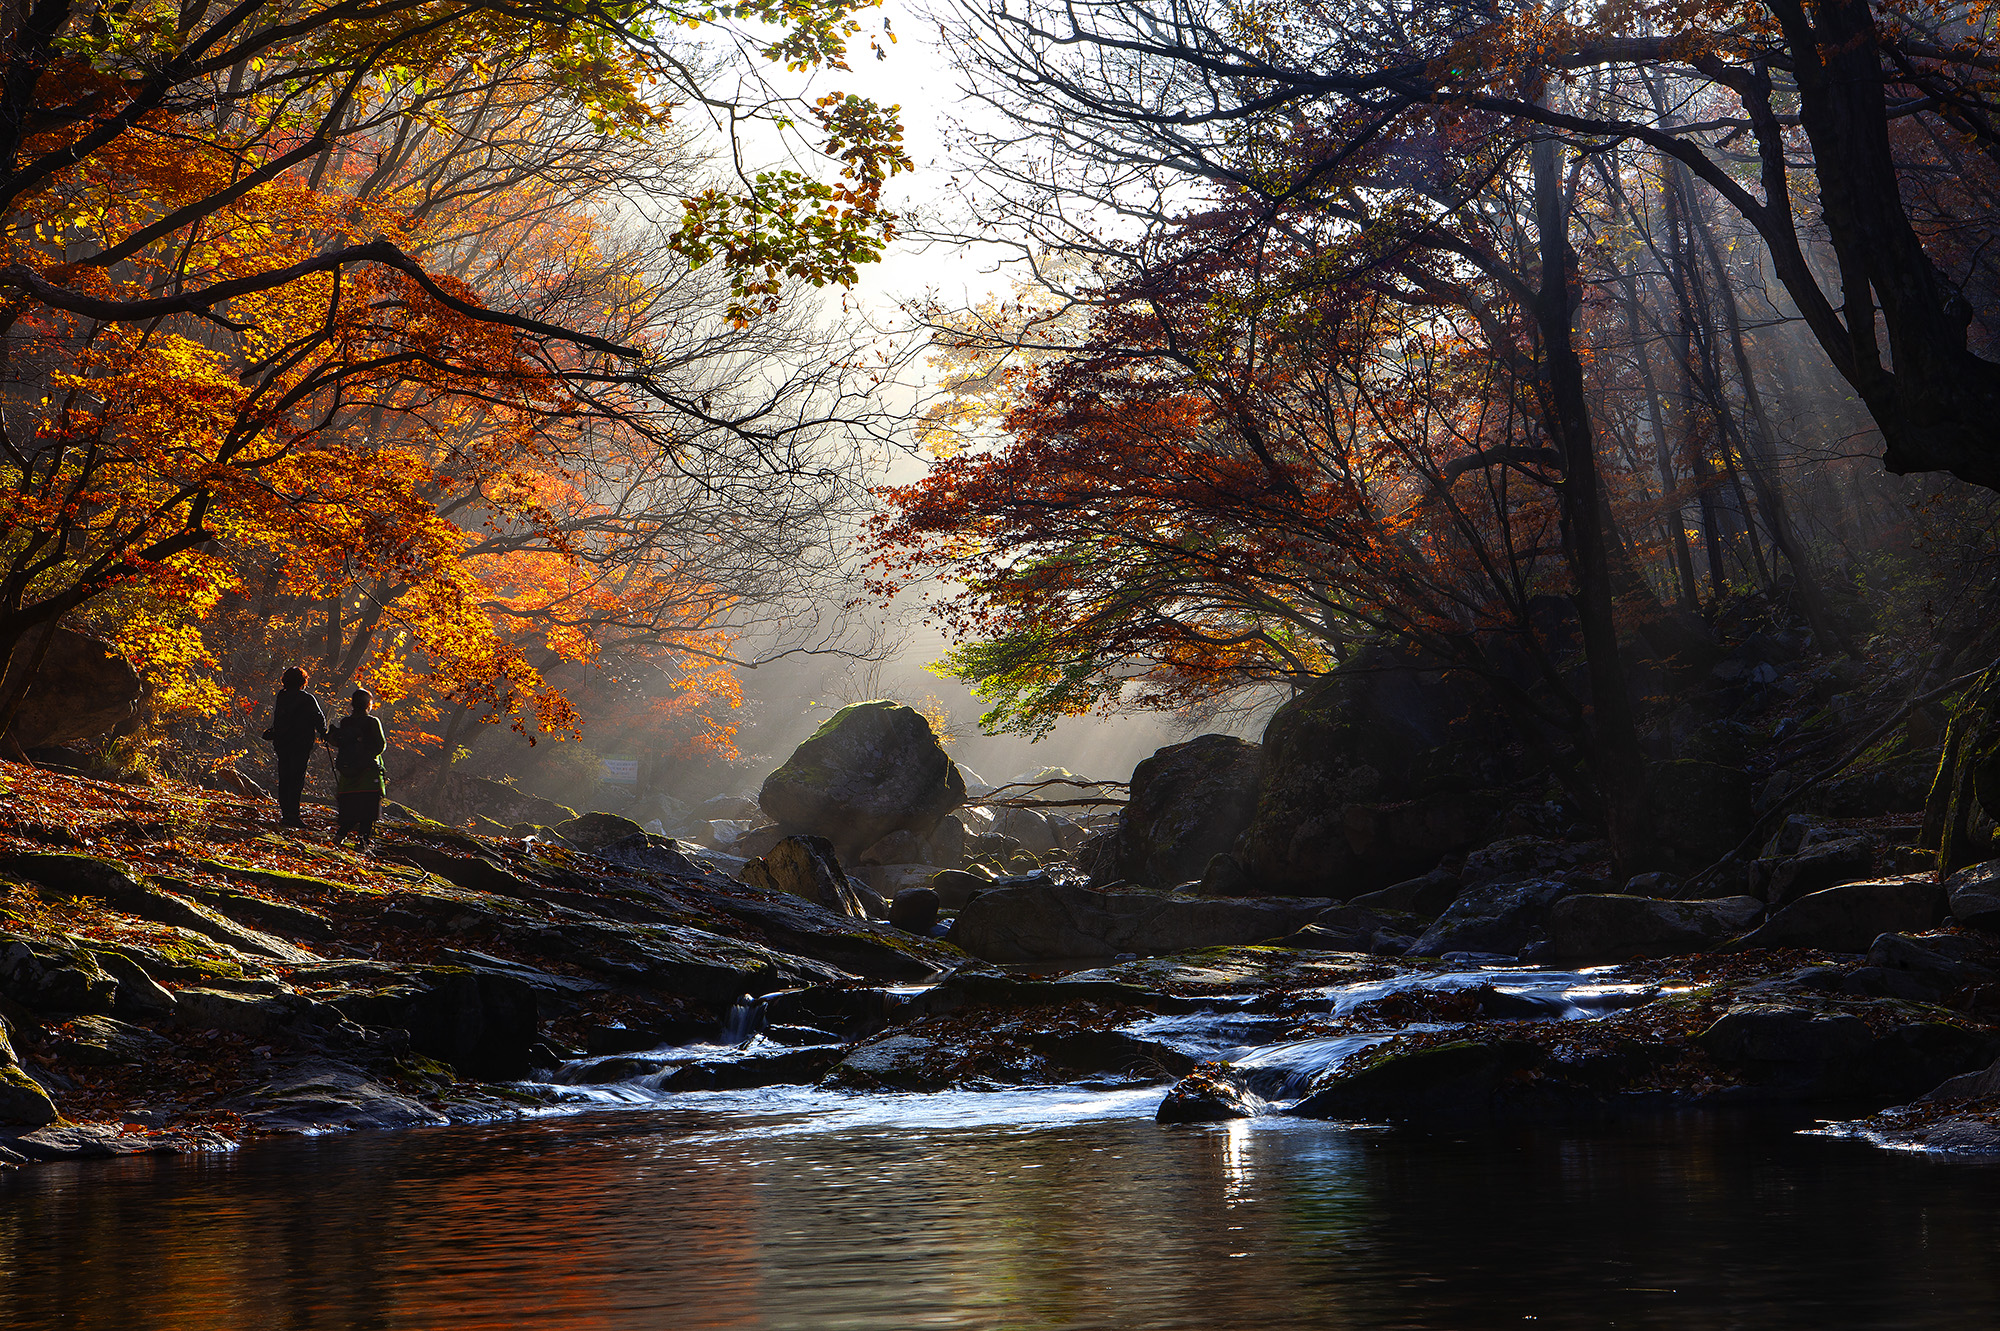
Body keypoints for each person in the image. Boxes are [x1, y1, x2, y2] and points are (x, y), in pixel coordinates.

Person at [262, 666, 327, 828]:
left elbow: (279, 718)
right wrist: (324, 733)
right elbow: (319, 719)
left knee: (284, 777)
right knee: (296, 778)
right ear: (303, 681)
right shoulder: (307, 699)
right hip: (300, 743)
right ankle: (293, 815)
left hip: (283, 742)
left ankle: (286, 813)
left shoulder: (282, 696)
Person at [325, 688, 387, 847]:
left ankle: (340, 836)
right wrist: (367, 755)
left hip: (348, 772)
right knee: (368, 809)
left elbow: (339, 743)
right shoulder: (372, 722)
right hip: (367, 772)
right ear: (368, 704)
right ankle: (363, 842)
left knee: (350, 806)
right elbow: (380, 746)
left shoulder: (346, 722)